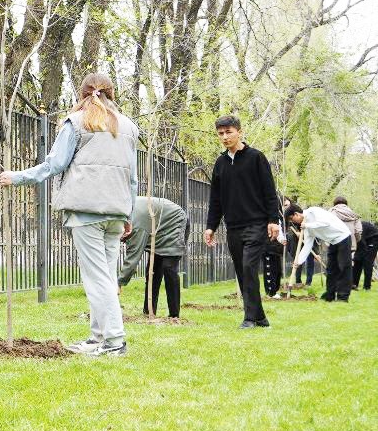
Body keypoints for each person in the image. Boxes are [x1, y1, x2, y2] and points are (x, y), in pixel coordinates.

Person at [1, 73, 138, 357]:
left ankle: (114, 341)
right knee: (106, 277)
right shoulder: (128, 127)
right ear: (112, 93)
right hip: (116, 212)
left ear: (82, 93)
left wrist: (18, 177)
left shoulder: (77, 122)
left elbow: (55, 163)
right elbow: (132, 178)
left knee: (96, 278)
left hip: (87, 212)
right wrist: (129, 213)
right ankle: (97, 338)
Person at [203, 115, 280, 328]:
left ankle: (249, 318)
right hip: (233, 227)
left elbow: (269, 192)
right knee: (241, 271)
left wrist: (273, 220)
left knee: (248, 267)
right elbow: (215, 199)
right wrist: (211, 226)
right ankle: (261, 318)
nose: (225, 137)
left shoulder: (256, 157)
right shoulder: (220, 164)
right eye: (221, 133)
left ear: (239, 131)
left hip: (257, 224)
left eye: (229, 132)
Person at [117, 196, 187, 318]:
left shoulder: (136, 224)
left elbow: (133, 256)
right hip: (156, 224)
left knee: (168, 267)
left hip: (174, 220)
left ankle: (174, 316)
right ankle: (149, 311)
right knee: (153, 271)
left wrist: (119, 282)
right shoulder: (124, 211)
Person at [286, 205, 353, 302]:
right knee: (330, 270)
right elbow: (308, 245)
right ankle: (329, 295)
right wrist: (299, 261)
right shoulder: (306, 228)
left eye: (292, 219)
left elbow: (325, 223)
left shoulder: (314, 211)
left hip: (343, 237)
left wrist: (308, 225)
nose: (293, 222)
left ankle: (343, 297)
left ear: (296, 214)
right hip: (333, 242)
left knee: (344, 267)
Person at [353, 220, 378, 291]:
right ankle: (354, 284)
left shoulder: (358, 228)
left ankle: (367, 287)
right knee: (357, 261)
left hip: (374, 239)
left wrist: (356, 253)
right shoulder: (352, 228)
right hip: (364, 240)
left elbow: (361, 243)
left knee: (367, 262)